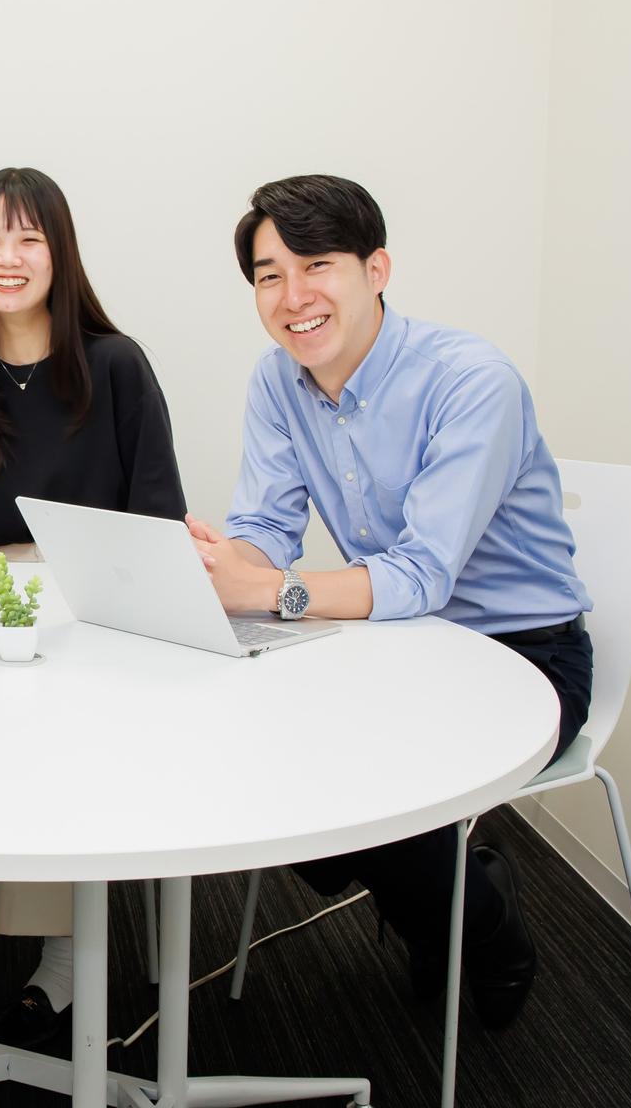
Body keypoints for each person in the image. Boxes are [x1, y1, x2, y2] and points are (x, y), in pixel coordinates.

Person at [187, 173, 593, 1027]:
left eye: (317, 266)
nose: (292, 297)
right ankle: (442, 886)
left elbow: (420, 575)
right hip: (399, 643)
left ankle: (485, 929)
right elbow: (266, 525)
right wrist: (224, 567)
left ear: (376, 270)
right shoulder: (278, 380)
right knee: (254, 739)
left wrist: (267, 591)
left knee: (375, 783)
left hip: (524, 653)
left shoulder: (472, 381)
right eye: (269, 276)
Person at [0, 166, 187, 1048]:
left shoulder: (116, 366)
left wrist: (26, 564)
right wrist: (5, 569)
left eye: (29, 237)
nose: (9, 256)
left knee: (50, 722)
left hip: (100, 628)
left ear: (61, 254)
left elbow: (157, 526)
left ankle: (62, 959)